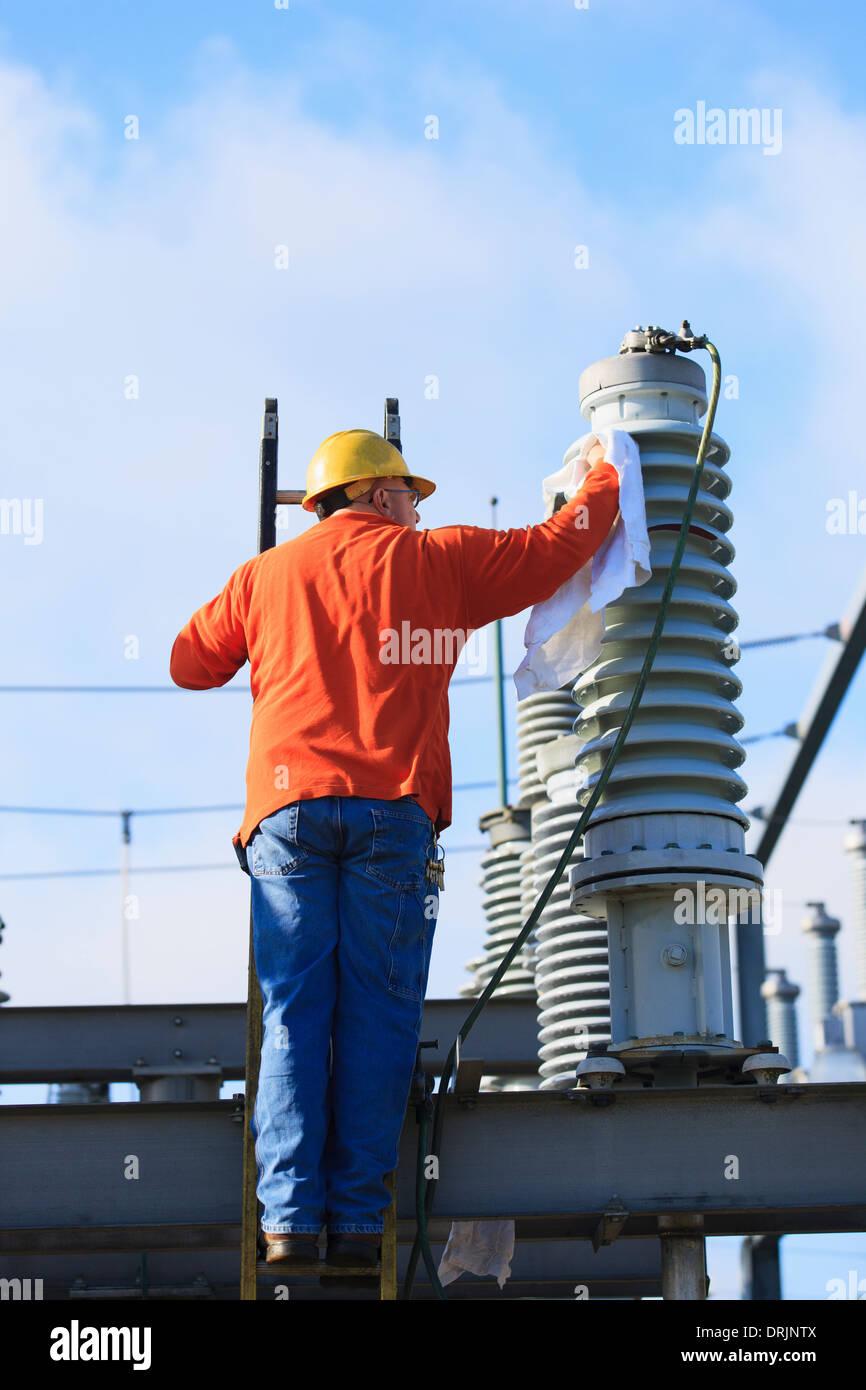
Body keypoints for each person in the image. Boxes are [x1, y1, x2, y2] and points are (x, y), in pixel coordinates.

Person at [169, 427, 618, 1273]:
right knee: (377, 1016)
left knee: (296, 1016)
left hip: (288, 814)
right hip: (392, 815)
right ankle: (353, 1223)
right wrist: (607, 476)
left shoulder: (264, 577)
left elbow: (189, 664)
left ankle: (288, 1224)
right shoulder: (436, 561)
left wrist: (270, 634)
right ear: (380, 497)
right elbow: (556, 550)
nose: (417, 510)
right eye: (410, 495)